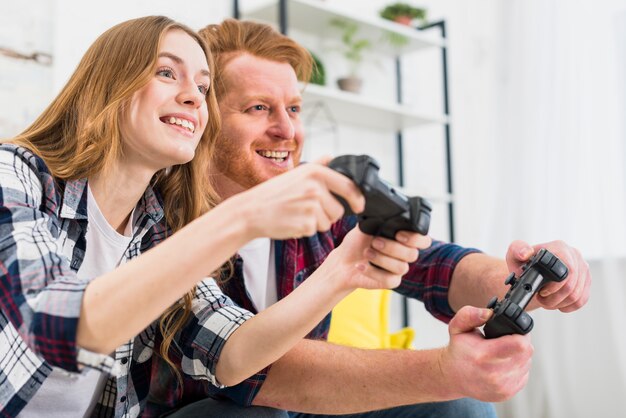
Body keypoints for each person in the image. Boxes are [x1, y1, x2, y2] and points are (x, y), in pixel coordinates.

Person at [143, 19, 592, 418]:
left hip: (305, 407)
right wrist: (444, 369)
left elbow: (436, 266)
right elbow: (258, 374)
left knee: (463, 406)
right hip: (217, 407)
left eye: (294, 109)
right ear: (205, 116)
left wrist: (522, 278)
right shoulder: (159, 218)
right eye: (259, 108)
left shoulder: (322, 200)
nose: (287, 130)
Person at [0, 16, 425, 418]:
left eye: (203, 87)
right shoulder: (16, 175)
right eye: (167, 73)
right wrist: (244, 216)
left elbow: (232, 354)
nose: (192, 96)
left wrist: (340, 274)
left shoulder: (155, 226)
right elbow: (53, 323)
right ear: (107, 83)